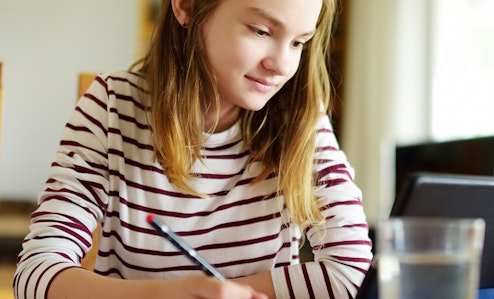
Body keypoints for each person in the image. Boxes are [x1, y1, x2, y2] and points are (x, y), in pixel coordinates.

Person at [14, 0, 373, 298]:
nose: (281, 66)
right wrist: (169, 295)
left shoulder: (303, 120)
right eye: (261, 31)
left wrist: (217, 292)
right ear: (186, 6)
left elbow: (351, 271)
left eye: (298, 43)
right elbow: (36, 275)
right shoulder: (112, 108)